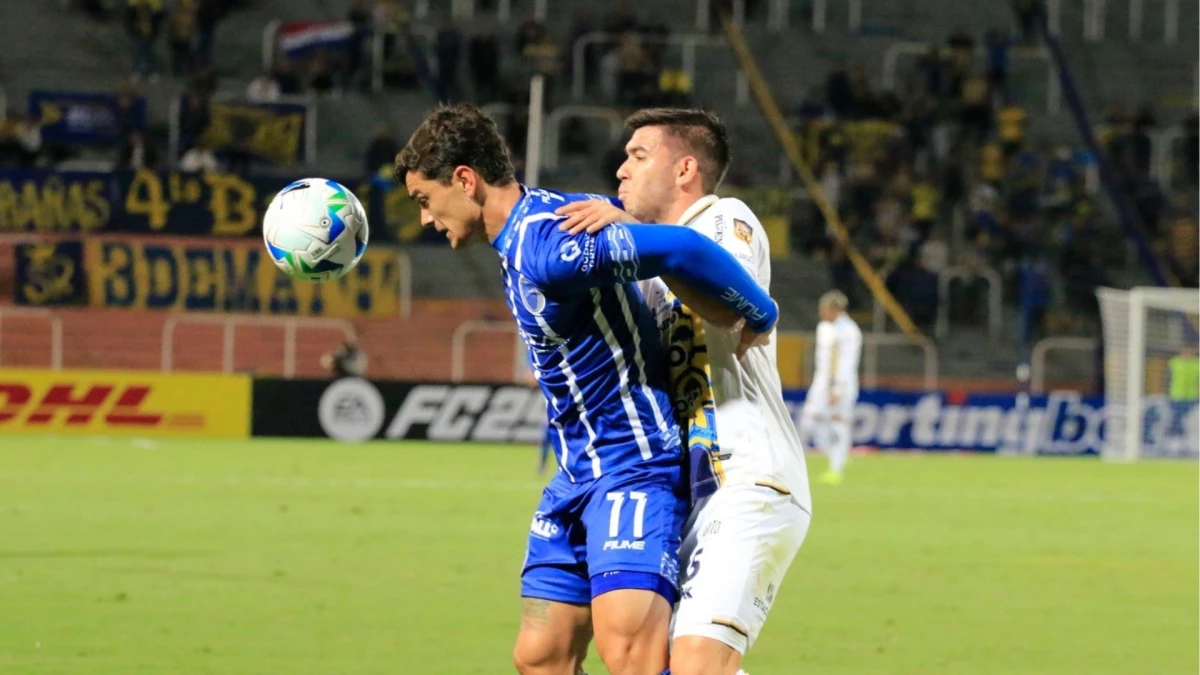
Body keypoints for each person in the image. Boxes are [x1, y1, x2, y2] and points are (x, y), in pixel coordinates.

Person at [395, 103, 778, 675]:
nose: (426, 219)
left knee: (630, 655)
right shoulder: (532, 220)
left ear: (465, 181)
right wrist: (620, 209)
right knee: (540, 656)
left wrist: (762, 313)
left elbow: (684, 248)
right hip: (575, 475)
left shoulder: (548, 249)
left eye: (425, 200)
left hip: (633, 467)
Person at [554, 108, 811, 675]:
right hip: (689, 495)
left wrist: (628, 234)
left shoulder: (723, 220)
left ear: (685, 169)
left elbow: (726, 303)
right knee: (660, 664)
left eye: (638, 156)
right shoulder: (644, 268)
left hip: (752, 476)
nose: (620, 170)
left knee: (696, 665)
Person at [798, 290, 862, 485]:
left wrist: (837, 390)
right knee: (807, 422)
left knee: (838, 424)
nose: (821, 312)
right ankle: (833, 453)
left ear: (835, 309)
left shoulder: (850, 331)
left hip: (841, 386)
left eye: (824, 309)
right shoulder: (824, 328)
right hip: (821, 384)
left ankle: (836, 467)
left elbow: (846, 364)